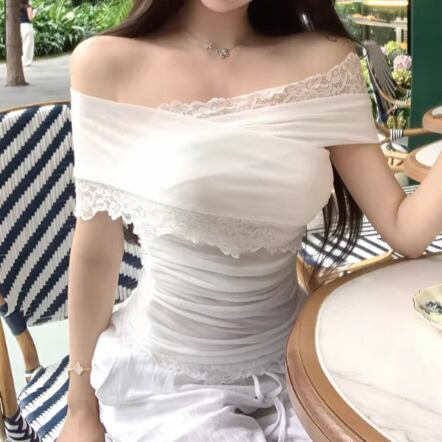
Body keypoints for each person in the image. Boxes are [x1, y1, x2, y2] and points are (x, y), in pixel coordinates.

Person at [58, 0, 442, 441]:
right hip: (167, 385)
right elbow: (96, 250)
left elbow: (404, 229)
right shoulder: (106, 65)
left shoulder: (327, 62)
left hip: (301, 363)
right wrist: (80, 407)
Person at [19, 0, 36, 67]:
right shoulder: (28, 7)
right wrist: (34, 13)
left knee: (23, 44)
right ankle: (26, 61)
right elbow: (30, 18)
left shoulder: (18, 7)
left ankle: (23, 61)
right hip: (27, 26)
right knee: (28, 44)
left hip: (20, 26)